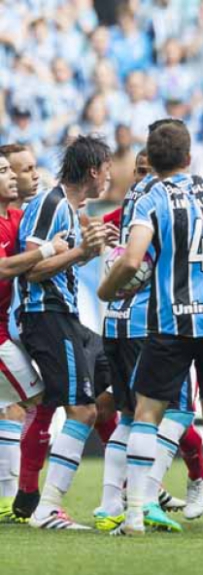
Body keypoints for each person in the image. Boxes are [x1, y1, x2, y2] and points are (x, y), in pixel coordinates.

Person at [97, 121, 203, 537]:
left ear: (151, 163)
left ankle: (135, 514)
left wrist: (107, 291)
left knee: (147, 412)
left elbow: (130, 259)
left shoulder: (151, 197)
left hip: (172, 322)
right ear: (189, 157)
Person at [94, 132, 203, 535]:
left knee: (133, 416)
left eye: (147, 168)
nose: (144, 175)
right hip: (154, 324)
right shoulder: (161, 201)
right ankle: (145, 499)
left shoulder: (135, 202)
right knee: (175, 412)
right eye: (139, 170)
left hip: (119, 321)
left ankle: (114, 502)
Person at [16, 135, 109, 529]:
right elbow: (30, 268)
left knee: (110, 390)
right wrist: (81, 254)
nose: (109, 177)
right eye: (106, 169)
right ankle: (47, 507)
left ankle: (127, 491)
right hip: (47, 316)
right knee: (82, 409)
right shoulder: (50, 205)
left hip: (67, 317)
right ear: (93, 171)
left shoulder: (71, 210)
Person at [0, 152, 70, 523]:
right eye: (5, 171)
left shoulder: (15, 218)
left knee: (19, 405)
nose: (13, 177)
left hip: (6, 329)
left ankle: (13, 498)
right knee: (40, 400)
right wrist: (46, 250)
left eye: (16, 170)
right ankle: (24, 497)